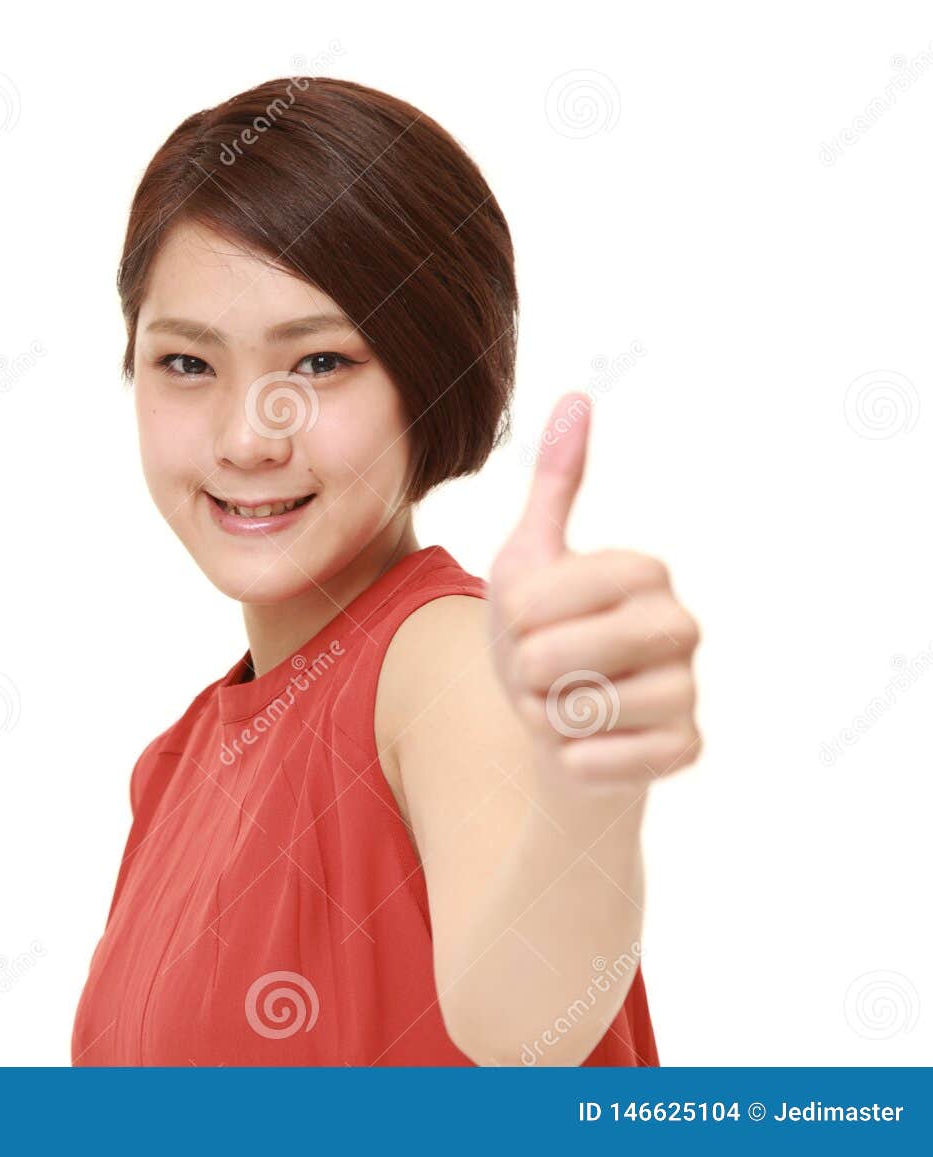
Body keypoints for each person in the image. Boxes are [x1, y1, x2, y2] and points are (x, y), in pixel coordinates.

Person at [71, 76, 702, 1066]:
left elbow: (522, 1024)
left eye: (320, 362)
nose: (247, 435)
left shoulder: (438, 663)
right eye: (187, 364)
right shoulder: (171, 767)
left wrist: (593, 793)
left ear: (432, 369)